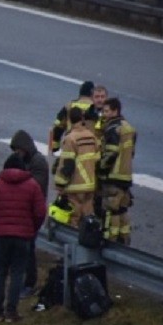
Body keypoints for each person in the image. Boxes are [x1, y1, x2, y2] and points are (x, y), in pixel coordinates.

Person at [0, 154, 46, 323]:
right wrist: (32, 229)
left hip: (1, 236)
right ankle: (11, 311)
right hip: (23, 237)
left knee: (0, 273)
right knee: (17, 273)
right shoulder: (32, 186)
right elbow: (40, 212)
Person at [10, 129, 49, 296]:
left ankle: (29, 283)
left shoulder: (38, 162)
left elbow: (35, 188)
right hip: (23, 210)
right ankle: (23, 281)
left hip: (32, 212)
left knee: (28, 248)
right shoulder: (26, 161)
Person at [53, 105, 100, 228]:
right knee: (88, 218)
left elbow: (67, 165)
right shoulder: (91, 136)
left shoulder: (70, 138)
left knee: (74, 220)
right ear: (82, 118)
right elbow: (98, 158)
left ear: (69, 120)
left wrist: (60, 185)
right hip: (90, 185)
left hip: (75, 187)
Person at [98, 97, 135, 245]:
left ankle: (110, 241)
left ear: (115, 111)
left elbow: (111, 153)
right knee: (122, 210)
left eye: (107, 111)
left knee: (110, 210)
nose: (104, 114)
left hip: (113, 176)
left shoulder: (112, 129)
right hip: (126, 176)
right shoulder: (129, 128)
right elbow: (131, 152)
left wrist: (101, 167)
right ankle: (124, 239)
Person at [48, 80, 95, 155]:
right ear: (92, 94)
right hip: (89, 146)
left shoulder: (69, 106)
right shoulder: (96, 108)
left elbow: (58, 126)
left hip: (70, 143)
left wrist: (55, 147)